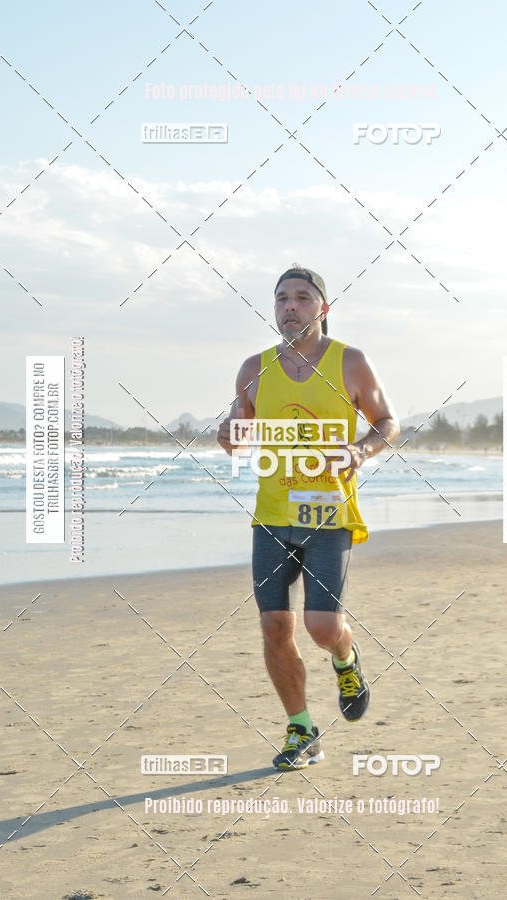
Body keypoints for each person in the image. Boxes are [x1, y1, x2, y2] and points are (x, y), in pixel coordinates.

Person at [217, 265, 400, 770]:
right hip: (272, 517)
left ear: (323, 308)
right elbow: (238, 434)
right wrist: (228, 434)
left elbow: (387, 422)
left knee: (321, 627)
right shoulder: (254, 368)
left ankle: (345, 656)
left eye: (301, 297)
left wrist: (360, 451)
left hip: (328, 516)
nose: (290, 306)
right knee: (275, 626)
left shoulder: (350, 362)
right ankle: (302, 730)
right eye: (282, 299)